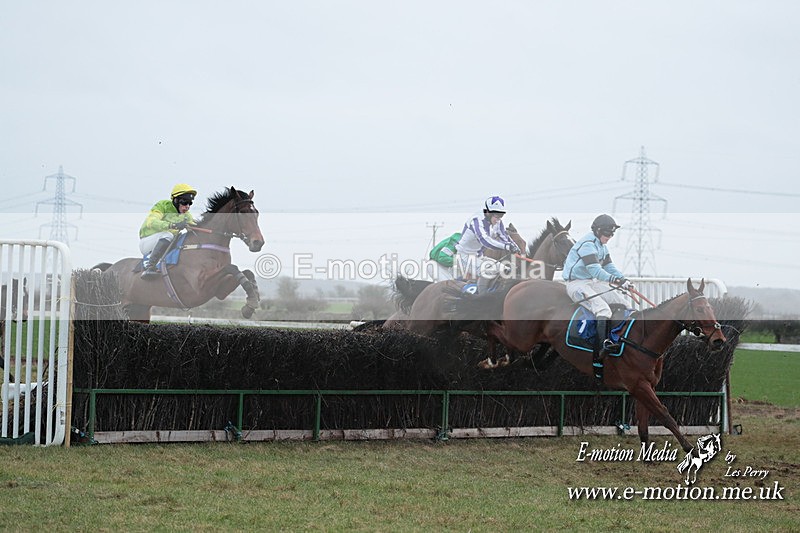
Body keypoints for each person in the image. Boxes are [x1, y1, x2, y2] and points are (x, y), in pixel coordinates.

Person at [562, 214, 633, 353]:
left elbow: (609, 267)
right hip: (576, 285)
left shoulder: (602, 246)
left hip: (591, 282)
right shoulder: (587, 245)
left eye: (612, 234)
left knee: (625, 304)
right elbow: (595, 271)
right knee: (603, 310)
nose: (610, 236)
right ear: (598, 230)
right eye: (607, 233)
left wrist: (624, 280)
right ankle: (601, 346)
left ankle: (619, 337)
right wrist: (616, 281)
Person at [454, 196, 521, 293]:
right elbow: (485, 241)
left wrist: (514, 246)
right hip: (464, 257)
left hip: (479, 257)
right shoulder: (476, 221)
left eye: (501, 215)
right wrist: (506, 246)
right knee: (489, 271)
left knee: (507, 269)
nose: (498, 219)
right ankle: (482, 299)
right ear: (488, 212)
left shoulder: (497, 222)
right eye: (496, 215)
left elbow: (504, 236)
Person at [139, 183, 198, 279]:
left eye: (190, 203)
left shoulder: (186, 215)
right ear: (175, 200)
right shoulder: (163, 205)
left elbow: (194, 227)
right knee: (168, 235)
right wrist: (172, 225)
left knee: (181, 238)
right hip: (147, 242)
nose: (187, 206)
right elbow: (151, 222)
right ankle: (149, 266)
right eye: (184, 202)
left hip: (165, 244)